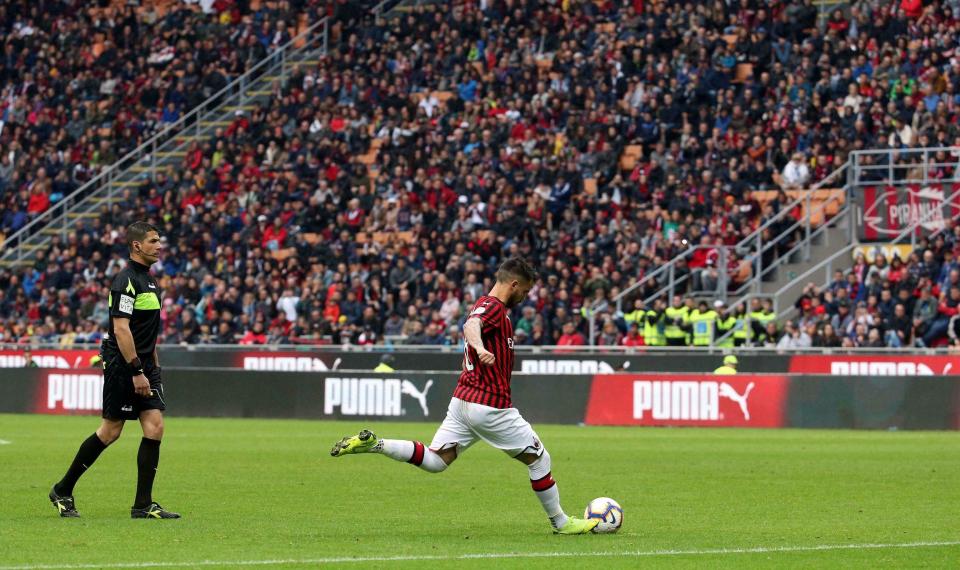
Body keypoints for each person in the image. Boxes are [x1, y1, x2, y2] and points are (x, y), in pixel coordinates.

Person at [330, 258, 598, 534]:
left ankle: (376, 444)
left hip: (463, 401)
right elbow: (472, 326)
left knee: (436, 460)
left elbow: (472, 325)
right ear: (514, 284)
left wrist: (476, 351)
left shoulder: (484, 304)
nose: (525, 297)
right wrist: (480, 347)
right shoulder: (493, 308)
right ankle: (561, 523)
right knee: (540, 460)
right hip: (490, 406)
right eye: (525, 291)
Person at [49, 222, 179, 519]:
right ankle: (62, 489)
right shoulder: (125, 281)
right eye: (154, 241)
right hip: (124, 365)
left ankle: (143, 505)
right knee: (111, 431)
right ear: (137, 246)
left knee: (155, 427)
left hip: (144, 365)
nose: (160, 246)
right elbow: (121, 330)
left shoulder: (150, 281)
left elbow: (147, 331)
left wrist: (153, 367)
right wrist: (136, 371)